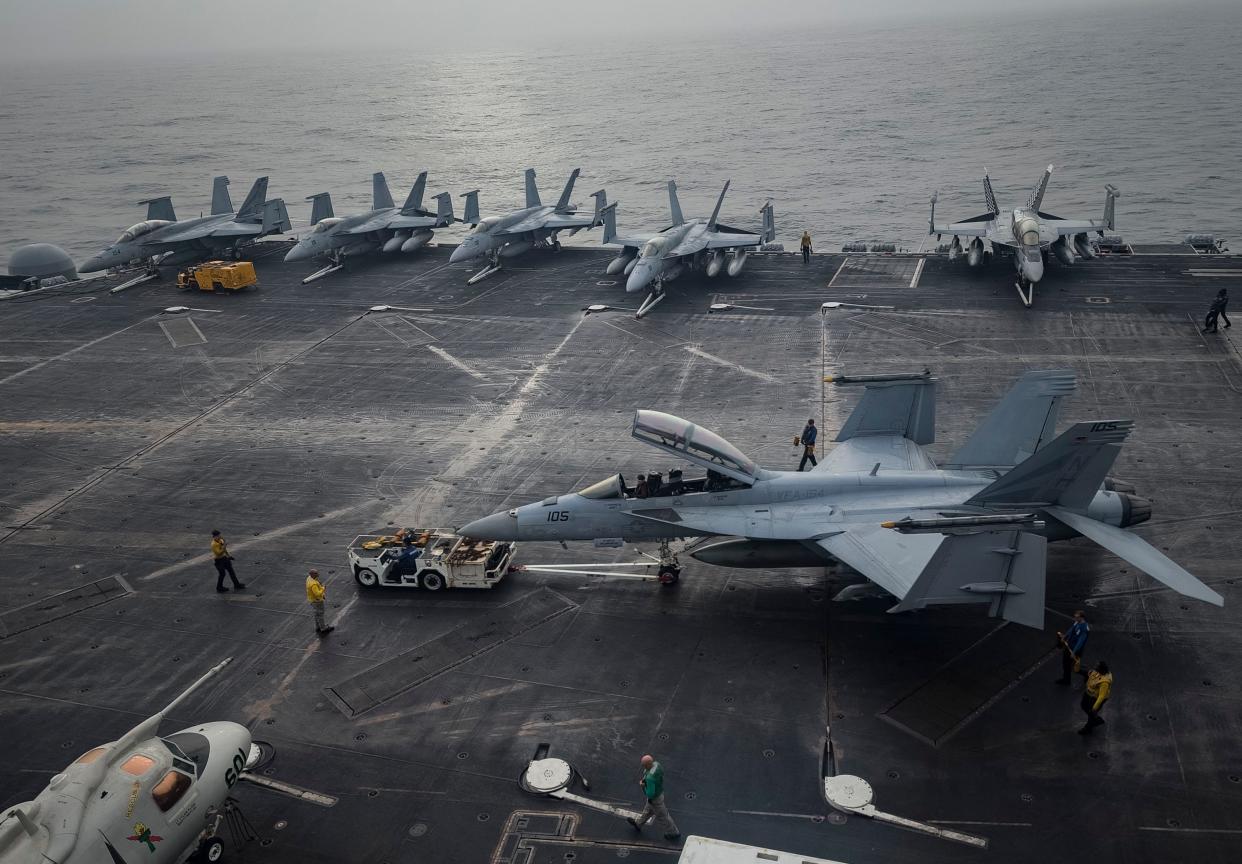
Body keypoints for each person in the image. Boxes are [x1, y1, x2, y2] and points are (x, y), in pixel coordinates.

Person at [627, 754, 680, 842]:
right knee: (647, 811)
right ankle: (638, 824)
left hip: (655, 799)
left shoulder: (650, 779)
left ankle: (673, 832)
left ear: (647, 765)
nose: (642, 766)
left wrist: (643, 786)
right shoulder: (656, 764)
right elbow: (659, 772)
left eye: (644, 765)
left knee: (663, 817)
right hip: (659, 793)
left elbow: (650, 794)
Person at [1055, 610, 1089, 685]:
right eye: (1075, 617)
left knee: (1074, 668)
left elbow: (1080, 642)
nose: (1075, 619)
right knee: (1066, 664)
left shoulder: (1084, 629)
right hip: (1069, 647)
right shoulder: (1077, 622)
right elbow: (1071, 629)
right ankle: (1066, 680)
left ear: (1081, 617)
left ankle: (1086, 674)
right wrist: (1065, 636)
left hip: (1075, 650)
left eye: (1076, 617)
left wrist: (1074, 652)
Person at [1078, 661, 1112, 735]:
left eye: (1097, 666)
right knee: (1083, 705)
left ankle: (1088, 728)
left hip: (1095, 698)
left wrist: (1094, 708)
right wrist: (1077, 668)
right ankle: (1096, 719)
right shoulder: (1095, 672)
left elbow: (1101, 696)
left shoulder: (1104, 682)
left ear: (1101, 669)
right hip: (1088, 693)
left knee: (1091, 711)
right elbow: (1086, 673)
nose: (1095, 666)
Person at [306, 569, 334, 636]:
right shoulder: (313, 584)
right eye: (316, 573)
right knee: (320, 614)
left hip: (312, 600)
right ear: (312, 575)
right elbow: (317, 594)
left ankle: (318, 626)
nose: (318, 574)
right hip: (317, 601)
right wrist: (323, 588)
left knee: (316, 614)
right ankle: (323, 628)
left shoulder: (309, 578)